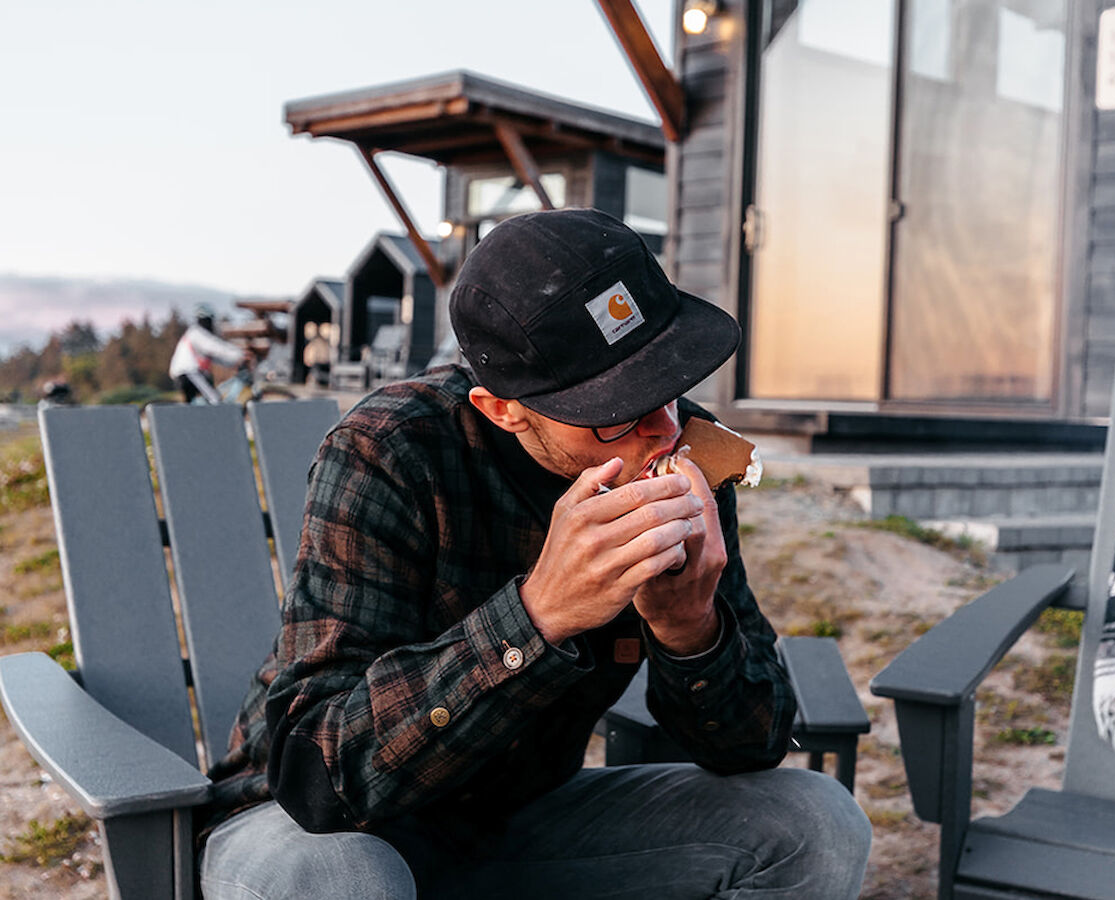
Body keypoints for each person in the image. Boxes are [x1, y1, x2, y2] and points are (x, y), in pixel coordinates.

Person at [199, 208, 871, 899]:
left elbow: (753, 748)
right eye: (617, 404)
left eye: (670, 379)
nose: (663, 426)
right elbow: (317, 777)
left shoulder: (675, 456)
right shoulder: (391, 452)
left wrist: (688, 629)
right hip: (309, 832)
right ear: (502, 409)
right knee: (339, 880)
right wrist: (538, 616)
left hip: (518, 828)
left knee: (815, 826)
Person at [169, 303, 251, 403]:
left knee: (197, 402)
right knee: (215, 399)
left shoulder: (196, 334)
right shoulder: (197, 333)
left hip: (190, 373)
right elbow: (216, 348)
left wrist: (234, 362)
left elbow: (218, 358)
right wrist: (240, 354)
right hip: (189, 372)